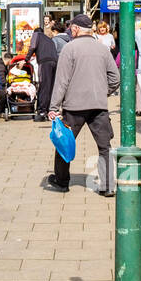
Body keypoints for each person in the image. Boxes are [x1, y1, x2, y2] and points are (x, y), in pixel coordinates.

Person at [46, 14, 118, 195]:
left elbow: (61, 81)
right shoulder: (103, 49)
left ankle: (62, 182)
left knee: (64, 143)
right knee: (104, 147)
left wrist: (54, 107)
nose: (70, 30)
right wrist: (103, 93)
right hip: (98, 106)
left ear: (76, 29)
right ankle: (108, 186)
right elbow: (115, 79)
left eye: (71, 28)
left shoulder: (69, 49)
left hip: (74, 107)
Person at [26, 18, 59, 122]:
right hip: (54, 62)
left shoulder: (37, 35)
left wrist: (26, 59)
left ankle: (41, 111)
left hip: (45, 62)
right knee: (50, 87)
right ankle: (50, 110)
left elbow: (32, 47)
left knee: (43, 86)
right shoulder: (49, 40)